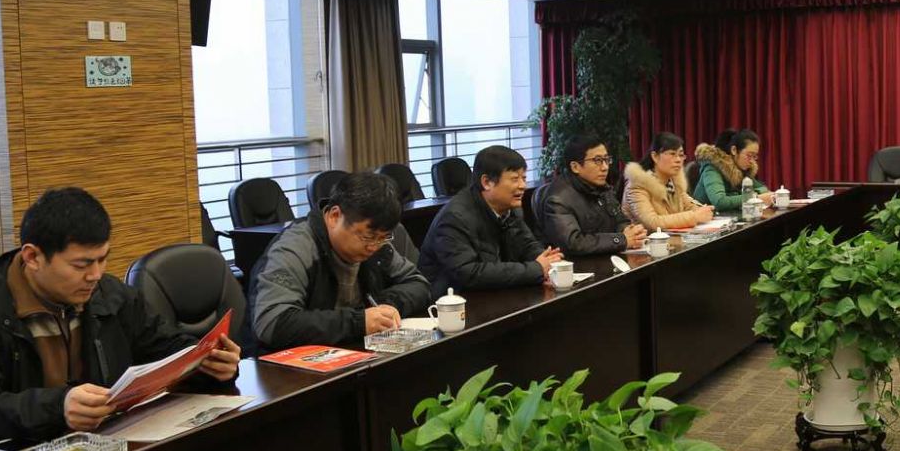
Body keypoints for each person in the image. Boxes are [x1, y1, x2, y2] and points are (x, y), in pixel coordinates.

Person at [0, 187, 242, 447]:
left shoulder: (110, 295)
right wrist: (58, 407)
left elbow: (165, 349)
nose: (95, 275)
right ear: (33, 257)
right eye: (81, 265)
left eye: (102, 260)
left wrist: (211, 365)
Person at [247, 171, 431, 353]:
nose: (374, 246)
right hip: (291, 365)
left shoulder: (377, 244)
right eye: (368, 237)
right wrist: (358, 321)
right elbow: (271, 323)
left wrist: (384, 307)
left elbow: (418, 283)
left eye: (383, 238)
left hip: (353, 352)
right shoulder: (294, 250)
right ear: (334, 216)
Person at [419, 145, 562, 294]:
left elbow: (527, 244)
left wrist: (548, 262)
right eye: (515, 179)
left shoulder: (511, 208)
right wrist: (536, 269)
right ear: (487, 182)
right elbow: (469, 273)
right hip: (451, 299)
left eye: (524, 178)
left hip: (492, 292)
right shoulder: (455, 217)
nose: (523, 186)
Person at [540, 132, 646, 255]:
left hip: (608, 255)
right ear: (575, 167)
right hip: (577, 264)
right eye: (598, 161)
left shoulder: (602, 188)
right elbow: (574, 243)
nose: (605, 167)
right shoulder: (558, 199)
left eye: (606, 160)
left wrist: (631, 232)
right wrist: (621, 239)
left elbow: (620, 220)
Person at [623, 132, 716, 231]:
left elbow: (689, 205)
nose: (678, 160)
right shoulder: (637, 185)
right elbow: (653, 223)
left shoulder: (673, 183)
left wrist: (704, 211)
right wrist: (694, 217)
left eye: (681, 155)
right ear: (655, 156)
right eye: (672, 154)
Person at [694, 128, 774, 213]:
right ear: (734, 150)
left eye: (754, 156)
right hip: (707, 217)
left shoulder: (742, 168)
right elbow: (720, 202)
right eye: (749, 155)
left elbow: (763, 189)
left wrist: (753, 194)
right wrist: (754, 197)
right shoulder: (712, 168)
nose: (752, 161)